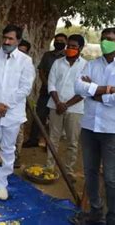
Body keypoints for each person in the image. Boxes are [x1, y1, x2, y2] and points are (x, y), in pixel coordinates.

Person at [0, 24, 35, 200]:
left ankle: (2, 183)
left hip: (13, 114)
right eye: (5, 37)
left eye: (11, 38)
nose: (6, 41)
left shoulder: (26, 61)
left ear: (18, 40)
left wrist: (6, 105)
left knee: (8, 149)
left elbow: (25, 88)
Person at [72, 28, 115, 225]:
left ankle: (113, 217)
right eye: (104, 39)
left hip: (112, 130)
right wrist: (107, 90)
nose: (105, 42)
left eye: (111, 39)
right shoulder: (91, 65)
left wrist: (94, 93)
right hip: (90, 126)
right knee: (90, 172)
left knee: (111, 178)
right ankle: (96, 212)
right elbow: (78, 87)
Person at [45, 34, 86, 181]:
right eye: (69, 46)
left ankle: (68, 170)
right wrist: (58, 103)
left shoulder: (86, 66)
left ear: (81, 48)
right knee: (53, 138)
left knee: (72, 142)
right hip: (55, 106)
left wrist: (66, 105)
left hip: (75, 109)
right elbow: (51, 84)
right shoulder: (58, 63)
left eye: (73, 47)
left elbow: (85, 91)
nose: (69, 49)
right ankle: (49, 166)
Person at [24, 33, 67, 148]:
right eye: (56, 40)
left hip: (59, 94)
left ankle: (49, 144)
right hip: (45, 91)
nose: (58, 42)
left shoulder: (67, 57)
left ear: (65, 42)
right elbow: (41, 70)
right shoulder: (47, 55)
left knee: (54, 119)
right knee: (39, 115)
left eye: (61, 41)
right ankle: (33, 139)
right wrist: (47, 84)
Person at [14, 39, 32, 168]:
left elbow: (26, 88)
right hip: (0, 105)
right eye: (19, 51)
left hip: (17, 105)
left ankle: (16, 156)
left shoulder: (27, 66)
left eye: (24, 52)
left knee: (18, 133)